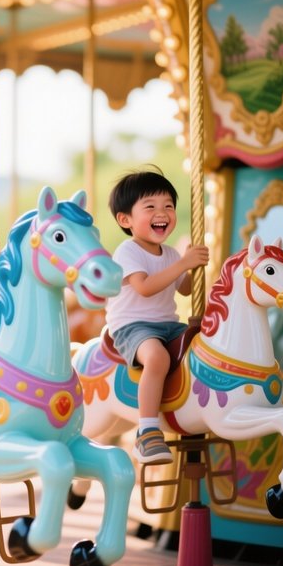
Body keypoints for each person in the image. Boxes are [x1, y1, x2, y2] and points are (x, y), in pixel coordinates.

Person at [105, 168, 209, 465]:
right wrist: (183, 264)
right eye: (150, 207)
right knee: (157, 358)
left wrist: (194, 268)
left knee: (204, 348)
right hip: (132, 326)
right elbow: (145, 287)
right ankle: (148, 431)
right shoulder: (128, 251)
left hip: (167, 325)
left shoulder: (171, 255)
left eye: (168, 206)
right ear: (125, 220)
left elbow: (185, 289)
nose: (162, 213)